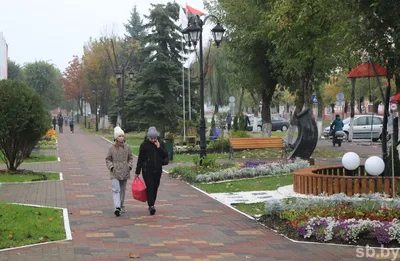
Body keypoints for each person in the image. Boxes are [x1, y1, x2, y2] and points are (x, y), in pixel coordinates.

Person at [135, 126, 168, 215]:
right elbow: (140, 159)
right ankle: (151, 205)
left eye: (155, 138)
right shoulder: (144, 145)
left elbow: (165, 155)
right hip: (147, 170)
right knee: (149, 187)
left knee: (155, 187)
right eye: (151, 138)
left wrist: (159, 147)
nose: (153, 140)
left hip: (157, 169)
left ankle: (152, 201)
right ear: (148, 137)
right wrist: (137, 172)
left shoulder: (160, 143)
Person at [105, 126, 133, 217]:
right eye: (119, 136)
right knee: (116, 190)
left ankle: (121, 205)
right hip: (115, 172)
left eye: (122, 136)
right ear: (116, 137)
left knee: (123, 190)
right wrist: (111, 167)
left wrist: (129, 166)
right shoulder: (111, 148)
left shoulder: (127, 147)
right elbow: (108, 159)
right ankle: (117, 207)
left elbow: (130, 158)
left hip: (125, 171)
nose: (121, 138)